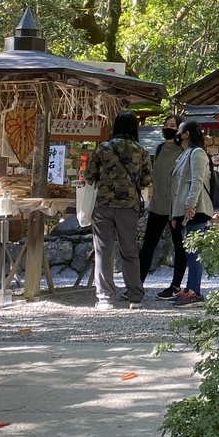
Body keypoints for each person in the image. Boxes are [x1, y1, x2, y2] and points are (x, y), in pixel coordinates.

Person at [84, 110, 151, 310]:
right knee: (129, 250)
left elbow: (89, 175)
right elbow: (146, 180)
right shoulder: (140, 150)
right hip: (128, 206)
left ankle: (105, 297)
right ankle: (135, 297)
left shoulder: (103, 148)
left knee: (103, 251)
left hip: (103, 204)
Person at [139, 114, 187, 299]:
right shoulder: (159, 148)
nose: (168, 128)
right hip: (157, 204)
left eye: (173, 125)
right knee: (148, 246)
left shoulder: (184, 150)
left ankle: (175, 285)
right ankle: (137, 285)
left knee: (179, 246)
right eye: (166, 125)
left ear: (180, 129)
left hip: (176, 206)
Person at [168, 120, 214, 307]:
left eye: (179, 131)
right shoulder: (185, 153)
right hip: (185, 209)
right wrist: (175, 213)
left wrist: (190, 206)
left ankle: (195, 291)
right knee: (189, 251)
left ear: (186, 134)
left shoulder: (197, 153)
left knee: (195, 251)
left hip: (196, 208)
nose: (176, 134)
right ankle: (189, 288)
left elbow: (197, 181)